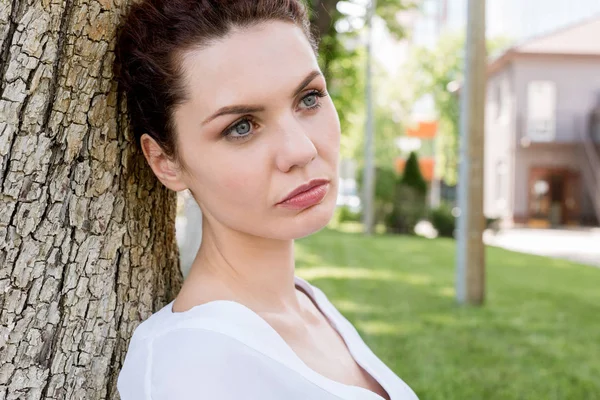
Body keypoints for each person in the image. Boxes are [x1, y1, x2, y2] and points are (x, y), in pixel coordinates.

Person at [114, 1, 419, 399]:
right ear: (165, 161)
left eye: (309, 98)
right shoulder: (190, 368)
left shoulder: (309, 304)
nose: (301, 149)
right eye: (241, 127)